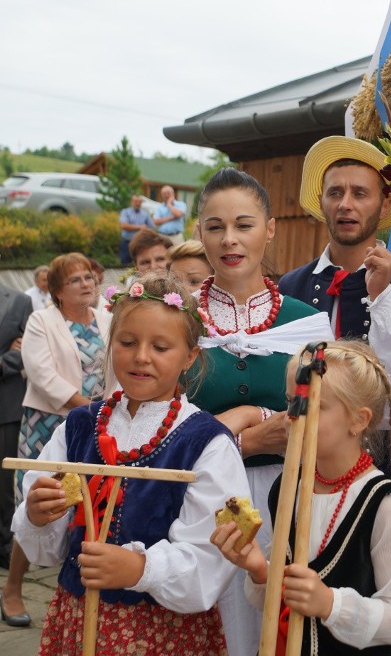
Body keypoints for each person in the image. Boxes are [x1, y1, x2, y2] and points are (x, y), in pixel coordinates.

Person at [11, 275, 250, 655]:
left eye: (160, 346)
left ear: (190, 356)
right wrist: (39, 515)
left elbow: (212, 556)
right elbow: (48, 548)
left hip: (161, 633)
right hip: (78, 618)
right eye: (127, 342)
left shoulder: (206, 443)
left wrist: (142, 569)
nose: (141, 356)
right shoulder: (78, 428)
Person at [277, 135, 391, 656]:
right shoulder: (291, 287)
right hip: (315, 478)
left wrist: (384, 298)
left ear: (384, 205)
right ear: (321, 202)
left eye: (360, 193)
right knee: (303, 610)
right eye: (335, 192)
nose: (346, 204)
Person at [190, 167, 332, 656]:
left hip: (290, 498)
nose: (230, 240)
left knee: (277, 624)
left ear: (270, 228)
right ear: (199, 232)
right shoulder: (177, 319)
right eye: (215, 226)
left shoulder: (307, 321)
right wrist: (244, 441)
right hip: (199, 502)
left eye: (244, 225)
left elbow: (331, 419)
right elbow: (153, 426)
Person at [211, 340, 391, 655]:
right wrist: (260, 570)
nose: (294, 416)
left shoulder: (386, 503)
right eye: (292, 402)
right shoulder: (287, 487)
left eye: (314, 405)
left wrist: (330, 604)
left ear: (359, 420)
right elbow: (281, 600)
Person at [2, 253, 113, 627]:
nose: (86, 284)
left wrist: (108, 413)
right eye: (75, 280)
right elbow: (42, 375)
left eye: (88, 277)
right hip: (48, 423)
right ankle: (13, 590)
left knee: (93, 502)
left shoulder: (108, 320)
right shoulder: (41, 321)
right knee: (37, 504)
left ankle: (76, 595)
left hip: (100, 425)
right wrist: (90, 410)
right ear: (57, 291)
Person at [0, 286, 32, 574]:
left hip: (5, 403)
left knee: (3, 481)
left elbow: (28, 350)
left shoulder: (20, 301)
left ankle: (4, 544)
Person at [118, 194, 155, 264]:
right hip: (127, 242)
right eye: (135, 201)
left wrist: (146, 230)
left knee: (141, 263)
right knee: (124, 264)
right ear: (131, 202)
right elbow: (123, 225)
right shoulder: (125, 212)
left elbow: (152, 228)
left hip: (140, 243)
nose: (137, 203)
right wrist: (140, 227)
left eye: (139, 202)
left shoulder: (145, 214)